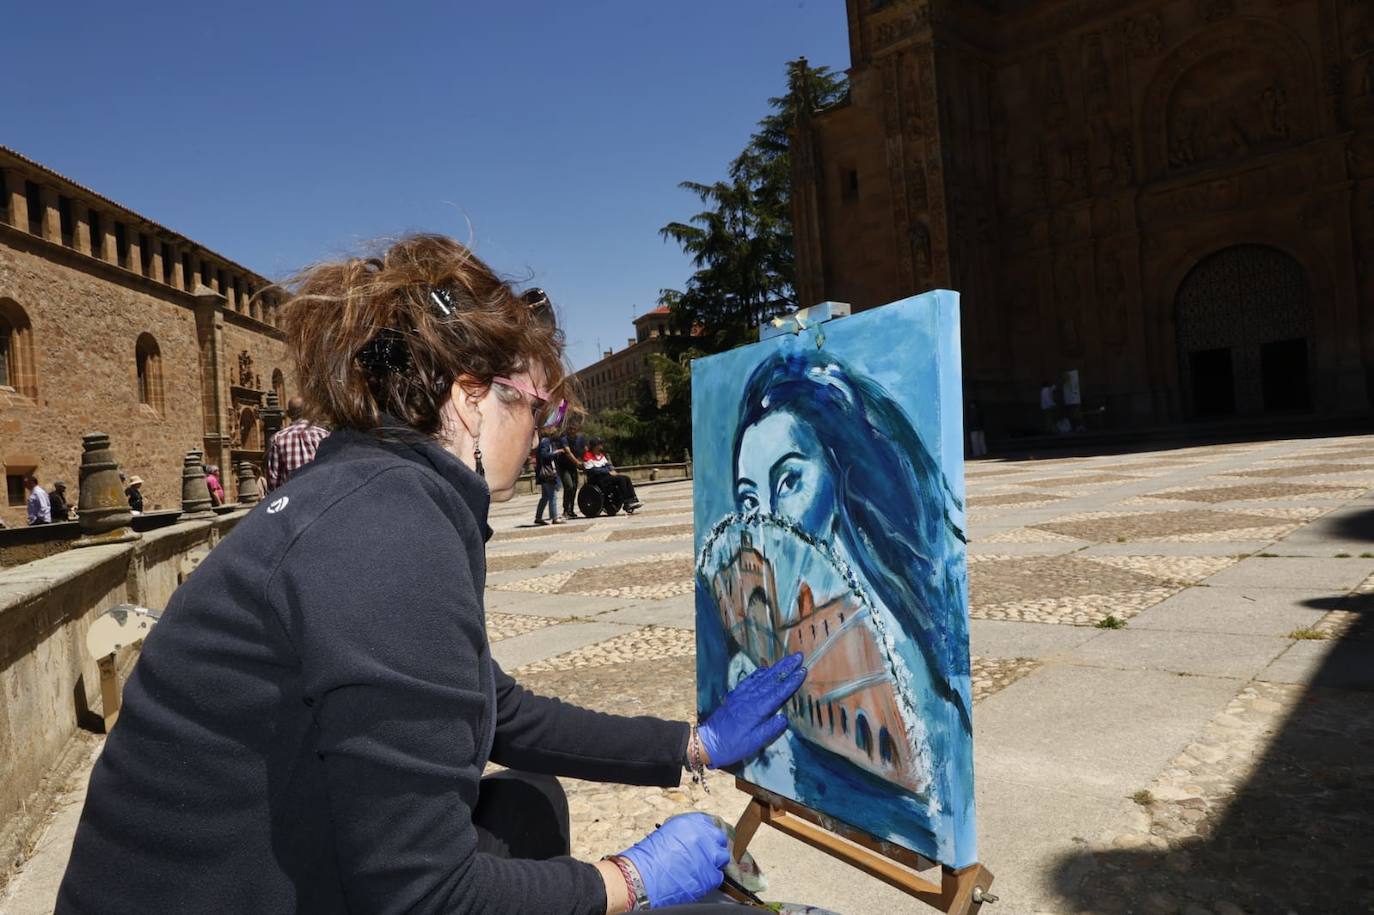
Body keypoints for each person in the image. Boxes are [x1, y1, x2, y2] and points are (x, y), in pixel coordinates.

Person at [57, 234, 803, 915]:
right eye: (543, 410)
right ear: (473, 398)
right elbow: (427, 895)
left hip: (251, 871)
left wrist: (689, 745)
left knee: (528, 806)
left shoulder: (376, 493)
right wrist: (632, 877)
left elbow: (496, 708)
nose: (545, 432)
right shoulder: (386, 537)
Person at [724, 346, 973, 861]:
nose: (767, 518)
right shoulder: (758, 644)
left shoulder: (901, 632)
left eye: (789, 481)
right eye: (750, 500)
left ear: (838, 473)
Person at [265, 396, 330, 492]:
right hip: (321, 495)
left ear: (288, 414)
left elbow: (273, 481)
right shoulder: (323, 435)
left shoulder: (277, 438)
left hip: (291, 498)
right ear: (308, 412)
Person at [583, 438, 641, 512]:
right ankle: (627, 503)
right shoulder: (588, 456)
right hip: (597, 478)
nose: (601, 446)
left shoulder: (601, 455)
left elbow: (607, 465)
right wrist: (607, 471)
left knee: (626, 478)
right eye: (600, 444)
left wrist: (611, 470)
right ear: (595, 446)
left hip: (606, 476)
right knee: (621, 480)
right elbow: (592, 470)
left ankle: (633, 499)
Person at [556, 421, 586, 518]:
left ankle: (571, 510)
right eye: (570, 429)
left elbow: (584, 450)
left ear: (577, 430)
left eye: (574, 429)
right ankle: (565, 510)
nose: (572, 431)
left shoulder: (580, 438)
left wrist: (587, 460)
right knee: (568, 485)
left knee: (574, 487)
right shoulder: (563, 438)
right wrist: (578, 463)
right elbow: (568, 452)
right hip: (563, 466)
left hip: (573, 466)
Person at [534, 426, 562, 526]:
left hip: (543, 473)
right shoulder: (546, 441)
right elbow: (544, 455)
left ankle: (538, 517)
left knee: (545, 497)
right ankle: (554, 517)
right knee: (552, 496)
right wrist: (555, 453)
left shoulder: (544, 441)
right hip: (547, 473)